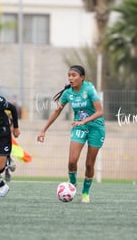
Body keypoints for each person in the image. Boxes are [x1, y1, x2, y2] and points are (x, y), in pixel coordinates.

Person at [37, 65, 105, 203]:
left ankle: (85, 193)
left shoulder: (89, 89)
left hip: (96, 128)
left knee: (89, 164)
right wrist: (44, 130)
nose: (70, 78)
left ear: (82, 77)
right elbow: (57, 112)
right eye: (69, 75)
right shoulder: (68, 93)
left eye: (74, 75)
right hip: (78, 127)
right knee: (72, 161)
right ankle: (72, 183)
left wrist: (84, 121)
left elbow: (100, 112)